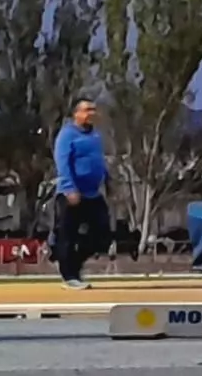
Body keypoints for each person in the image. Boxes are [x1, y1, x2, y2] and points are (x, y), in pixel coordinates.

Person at [51, 98, 111, 289]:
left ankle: (73, 264)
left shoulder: (95, 136)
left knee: (103, 235)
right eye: (86, 110)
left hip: (93, 193)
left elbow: (98, 160)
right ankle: (69, 276)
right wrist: (69, 188)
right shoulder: (67, 135)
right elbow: (62, 163)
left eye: (93, 109)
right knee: (67, 235)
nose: (91, 113)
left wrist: (107, 178)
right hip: (72, 193)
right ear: (76, 113)